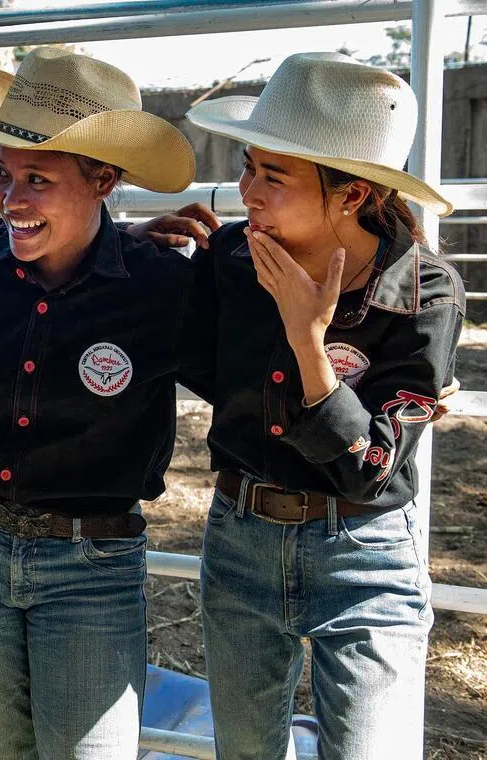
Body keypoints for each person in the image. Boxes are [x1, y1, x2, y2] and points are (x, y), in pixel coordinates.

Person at [0, 48, 199, 760]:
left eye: (38, 179)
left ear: (104, 179)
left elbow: (252, 381)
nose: (10, 198)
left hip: (91, 560)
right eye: (2, 173)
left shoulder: (162, 290)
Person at [181, 52, 463, 760]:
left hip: (363, 555)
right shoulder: (233, 260)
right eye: (247, 165)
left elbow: (368, 468)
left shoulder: (425, 293)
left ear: (353, 195)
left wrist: (310, 343)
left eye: (273, 177)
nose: (246, 191)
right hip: (241, 535)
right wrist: (135, 253)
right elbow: (195, 364)